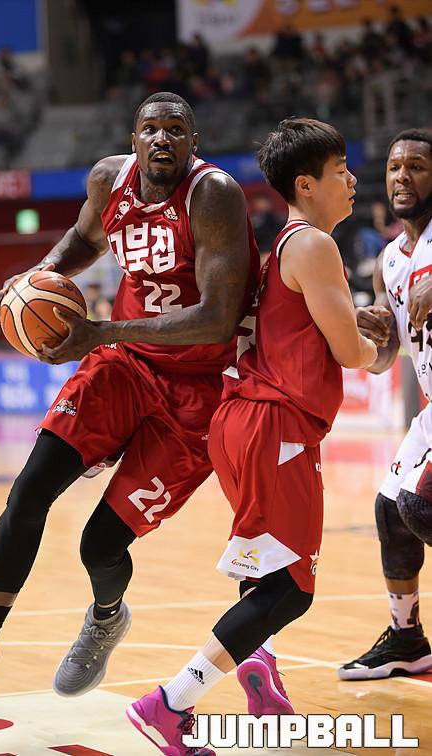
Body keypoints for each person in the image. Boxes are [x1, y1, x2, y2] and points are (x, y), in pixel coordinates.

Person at [0, 92, 259, 715]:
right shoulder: (109, 181)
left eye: (175, 130)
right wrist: (40, 276)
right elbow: (83, 238)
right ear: (133, 140)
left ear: (193, 142)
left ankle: (106, 617)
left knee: (99, 544)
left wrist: (100, 331)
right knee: (28, 493)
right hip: (123, 366)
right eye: (150, 129)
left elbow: (216, 318)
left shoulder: (213, 195)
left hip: (197, 391)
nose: (162, 139)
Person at [127, 117, 377, 755]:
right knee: (291, 589)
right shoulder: (314, 245)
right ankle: (169, 704)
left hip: (243, 421)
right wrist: (386, 347)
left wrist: (358, 325)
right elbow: (352, 353)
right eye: (341, 170)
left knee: (267, 570)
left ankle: (259, 669)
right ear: (306, 184)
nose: (353, 180)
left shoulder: (283, 247)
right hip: (274, 425)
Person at [339, 128, 432, 681]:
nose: (402, 176)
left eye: (417, 166)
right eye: (396, 167)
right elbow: (383, 361)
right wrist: (370, 338)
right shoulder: (389, 262)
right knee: (391, 511)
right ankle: (406, 639)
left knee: (421, 507)